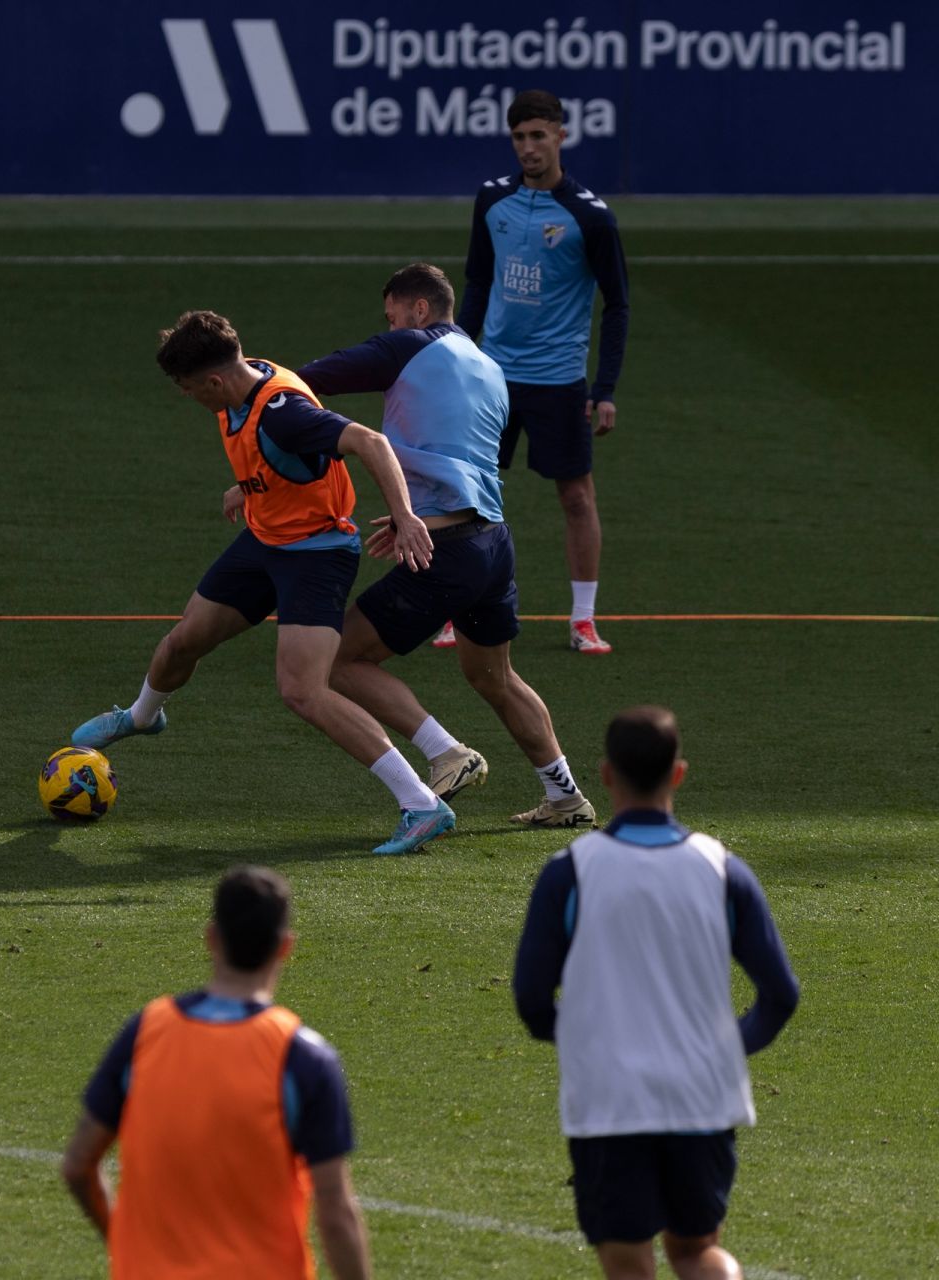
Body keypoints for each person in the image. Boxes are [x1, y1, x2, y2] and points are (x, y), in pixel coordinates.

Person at [69, 309, 457, 855]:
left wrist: (407, 516)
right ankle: (141, 716)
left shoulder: (284, 413)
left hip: (316, 556)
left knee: (302, 690)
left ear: (214, 381)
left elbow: (370, 442)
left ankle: (421, 804)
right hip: (264, 540)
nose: (187, 398)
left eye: (187, 389)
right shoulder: (240, 384)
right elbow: (283, 461)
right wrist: (253, 486)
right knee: (185, 639)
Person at [300, 264, 597, 829]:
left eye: (391, 316)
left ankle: (447, 753)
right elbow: (458, 454)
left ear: (417, 310)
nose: (387, 329)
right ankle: (567, 798)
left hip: (447, 554)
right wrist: (414, 513)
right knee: (494, 677)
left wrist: (255, 385)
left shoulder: (410, 346)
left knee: (336, 658)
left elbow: (307, 380)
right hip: (490, 542)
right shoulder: (489, 367)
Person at [512, 707, 800, 1280]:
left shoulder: (569, 873)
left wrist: (583, 1037)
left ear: (607, 775)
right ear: (679, 774)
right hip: (702, 1095)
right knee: (696, 1252)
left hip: (612, 1098)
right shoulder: (724, 871)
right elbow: (780, 994)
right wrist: (723, 1047)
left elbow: (531, 1000)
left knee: (626, 1261)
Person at [62, 865, 372, 1280]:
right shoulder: (303, 1059)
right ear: (285, 947)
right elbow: (335, 1213)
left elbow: (79, 1165)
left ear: (211, 938)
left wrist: (124, 1243)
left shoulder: (146, 1032)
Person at [455, 88, 631, 656]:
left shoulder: (590, 216)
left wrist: (604, 388)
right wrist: (456, 350)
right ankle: (453, 607)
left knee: (576, 497)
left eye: (539, 135)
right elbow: (478, 281)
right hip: (492, 377)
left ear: (561, 135)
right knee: (465, 492)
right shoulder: (491, 201)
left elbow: (618, 304)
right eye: (519, 137)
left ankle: (582, 619)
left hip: (559, 380)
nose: (529, 147)